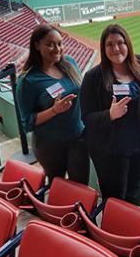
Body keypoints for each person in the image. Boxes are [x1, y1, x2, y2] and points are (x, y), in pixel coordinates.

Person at [80, 24, 140, 202]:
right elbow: (86, 117)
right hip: (109, 152)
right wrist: (109, 115)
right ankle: (111, 229)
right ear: (103, 48)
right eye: (109, 44)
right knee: (114, 199)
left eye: (120, 42)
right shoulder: (93, 77)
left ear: (128, 44)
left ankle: (129, 228)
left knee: (133, 194)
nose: (116, 48)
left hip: (138, 148)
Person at [16, 24, 89, 184]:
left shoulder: (70, 63)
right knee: (57, 185)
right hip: (49, 145)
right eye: (50, 44)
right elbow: (27, 123)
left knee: (81, 185)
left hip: (78, 138)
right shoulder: (28, 81)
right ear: (37, 46)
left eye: (60, 43)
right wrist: (54, 110)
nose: (57, 49)